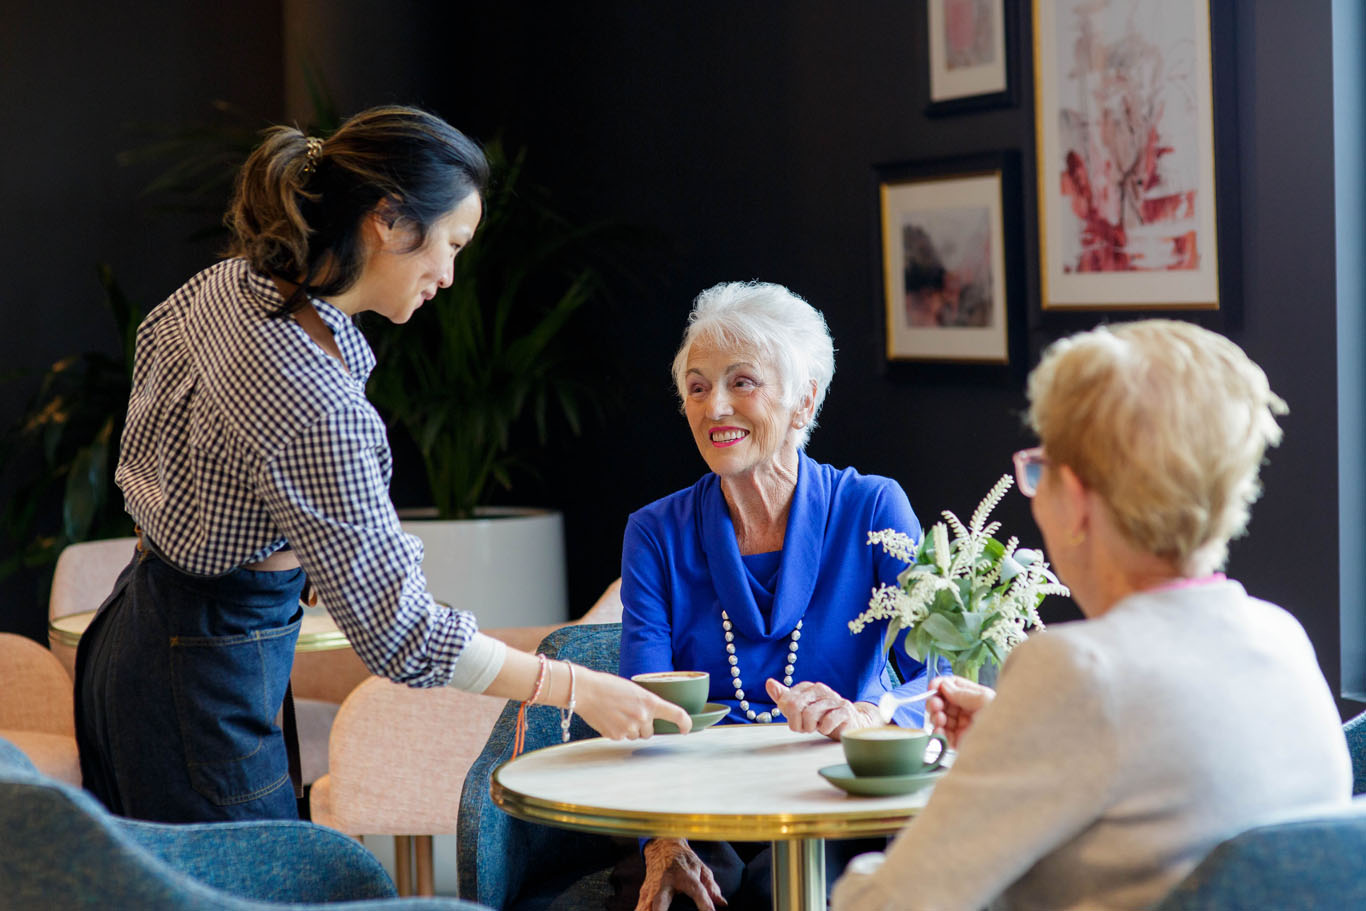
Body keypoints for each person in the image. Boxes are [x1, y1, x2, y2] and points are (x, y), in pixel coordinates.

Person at [75, 105, 689, 825]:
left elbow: (150, 424)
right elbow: (403, 637)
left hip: (127, 638)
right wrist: (577, 687)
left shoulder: (228, 285)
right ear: (390, 220)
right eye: (451, 244)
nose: (450, 276)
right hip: (202, 685)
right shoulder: (318, 400)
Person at [831, 319, 1353, 911]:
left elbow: (891, 905)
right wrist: (1013, 735)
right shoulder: (1282, 637)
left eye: (1039, 468)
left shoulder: (1075, 670)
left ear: (1076, 500)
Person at [615, 281, 938, 911]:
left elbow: (944, 671)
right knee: (692, 894)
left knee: (801, 888)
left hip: (840, 795)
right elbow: (642, 706)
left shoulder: (872, 507)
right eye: (699, 387)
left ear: (803, 400)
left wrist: (870, 716)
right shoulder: (655, 532)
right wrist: (662, 836)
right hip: (698, 806)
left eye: (743, 382)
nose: (715, 409)